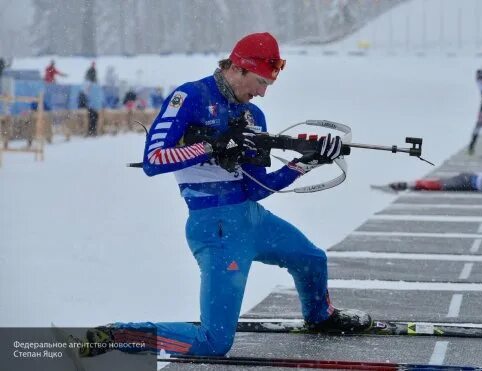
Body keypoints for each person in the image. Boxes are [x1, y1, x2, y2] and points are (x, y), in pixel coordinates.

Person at [72, 32, 372, 359]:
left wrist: (306, 162)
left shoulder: (253, 116)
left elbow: (259, 188)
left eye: (268, 86)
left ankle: (320, 318)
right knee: (213, 343)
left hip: (252, 218)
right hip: (215, 228)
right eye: (259, 82)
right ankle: (120, 334)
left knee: (313, 259)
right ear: (238, 68)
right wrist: (212, 147)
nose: (261, 93)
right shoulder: (190, 97)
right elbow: (153, 160)